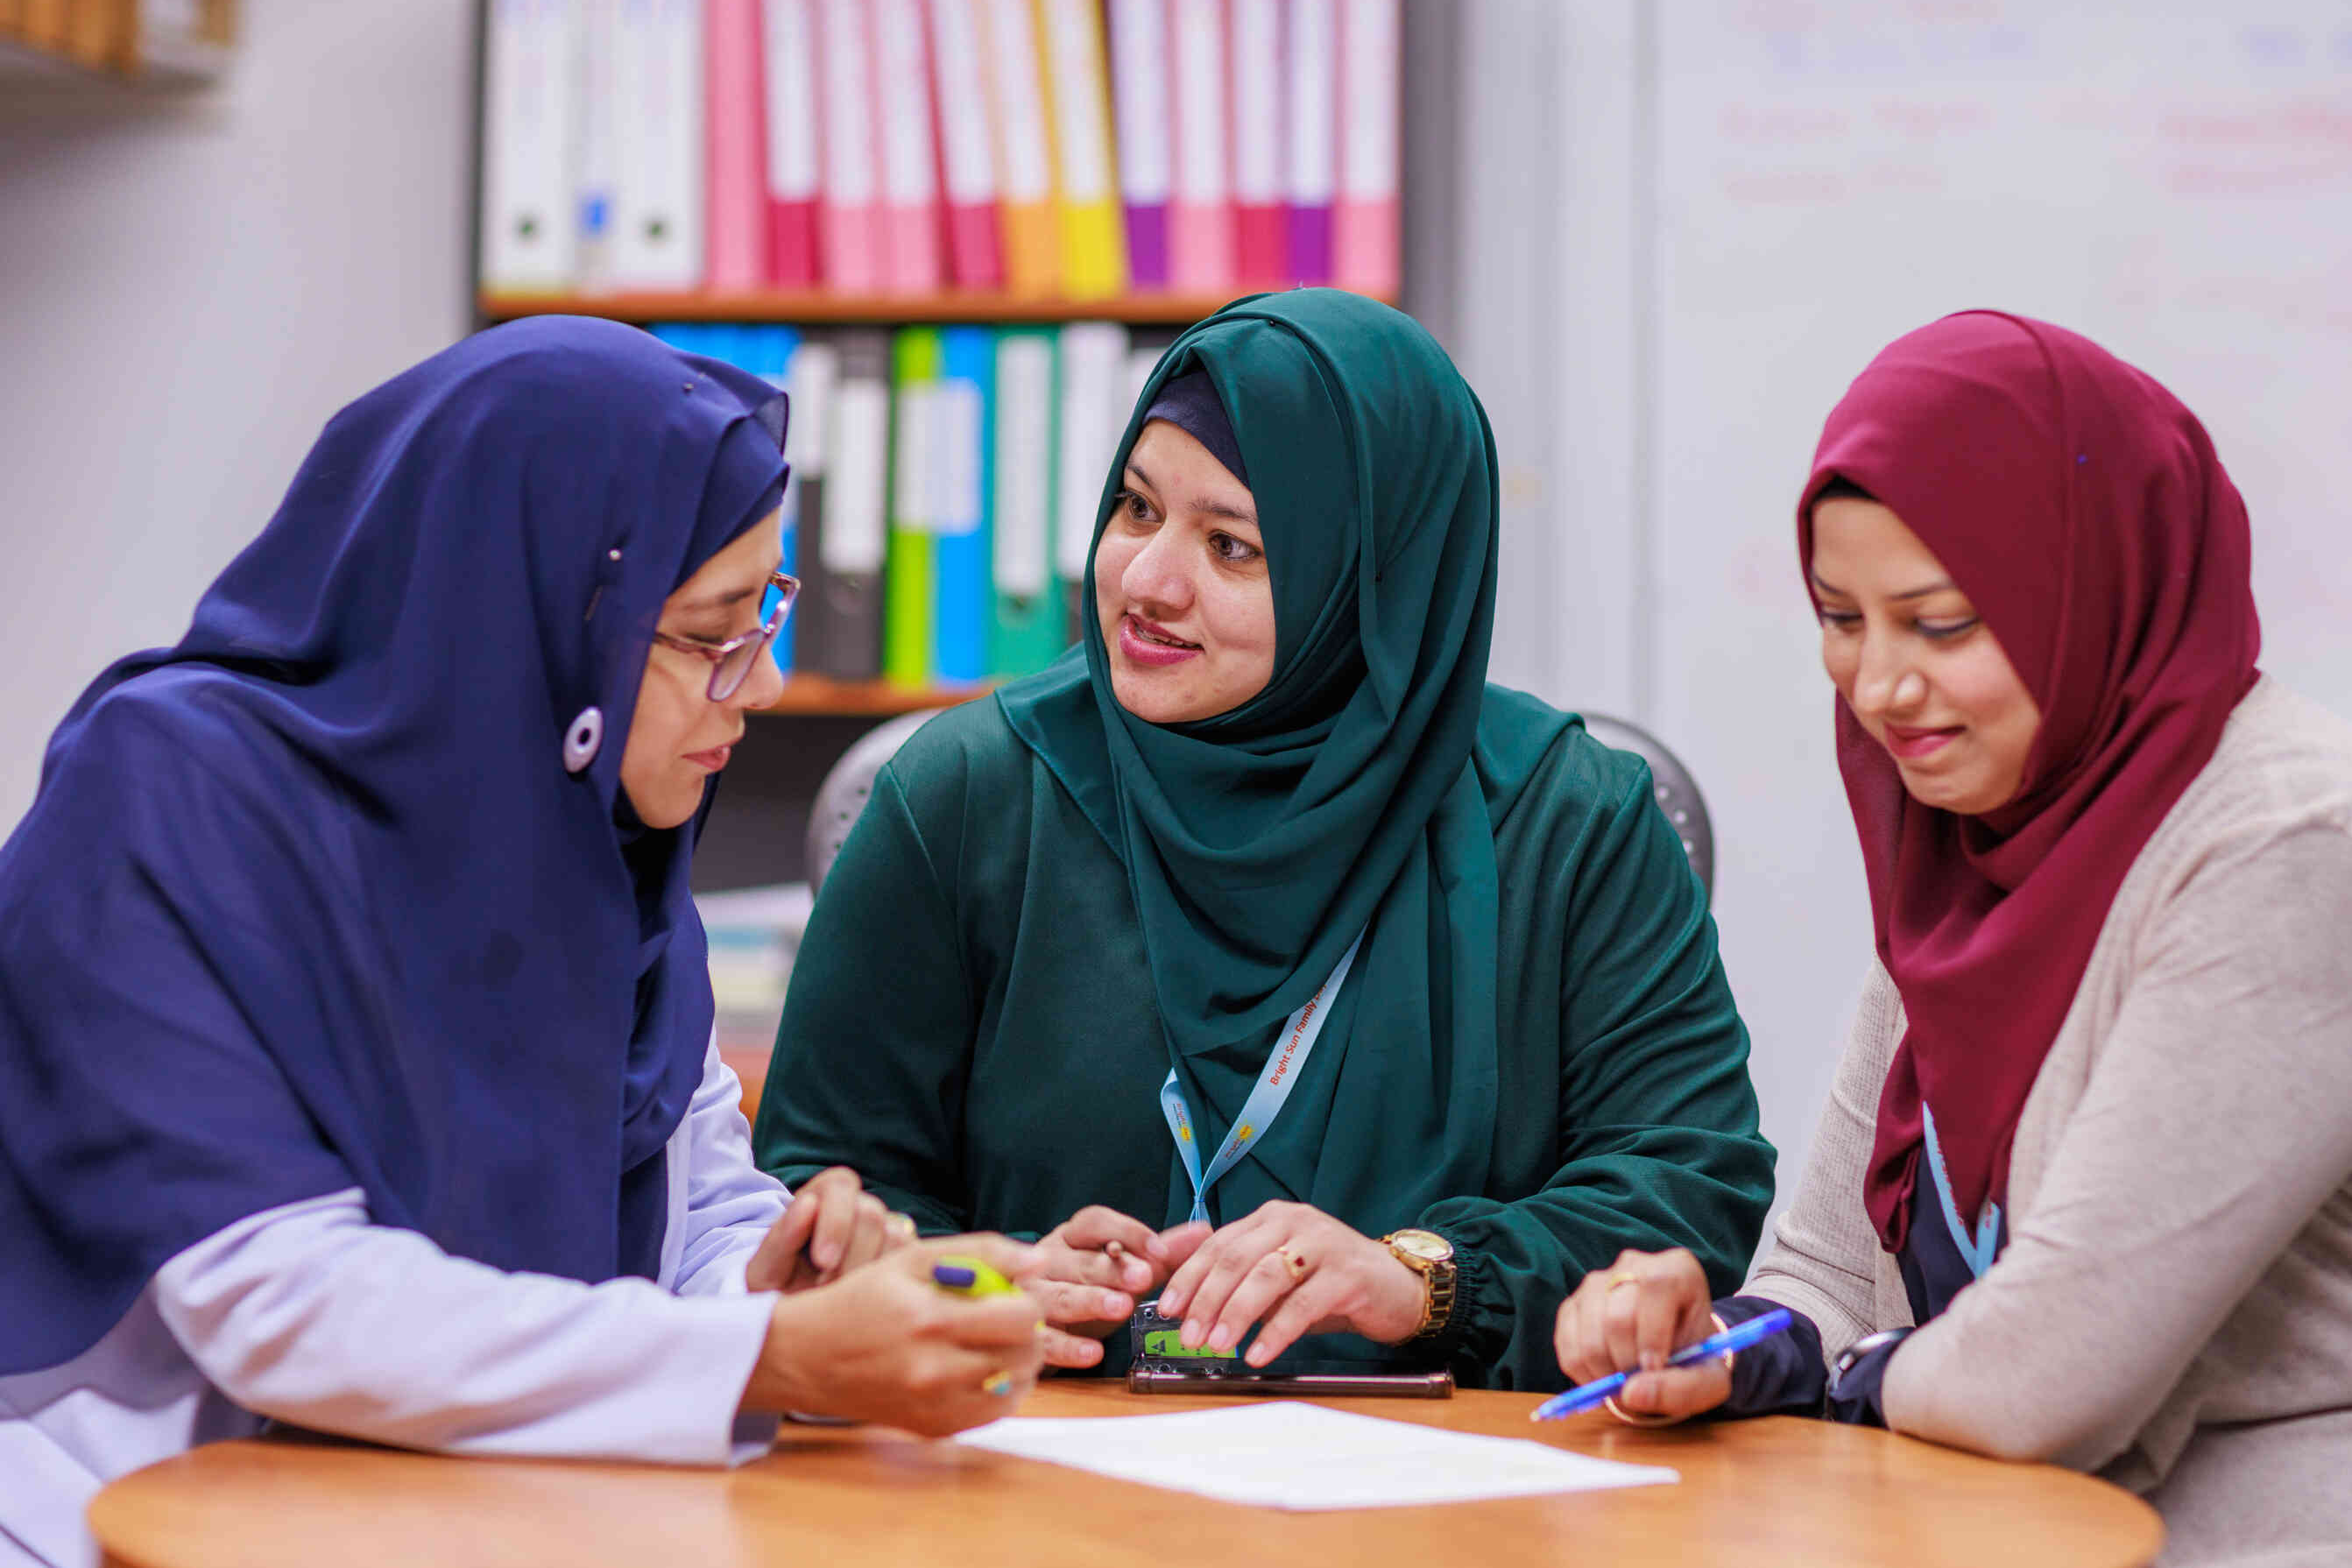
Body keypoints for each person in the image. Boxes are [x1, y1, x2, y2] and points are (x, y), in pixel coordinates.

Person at [0, 319, 1042, 1568]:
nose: (758, 685)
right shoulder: (166, 797)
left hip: (476, 1515)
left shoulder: (591, 828)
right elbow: (277, 1300)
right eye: (714, 632)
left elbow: (699, 1209)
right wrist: (764, 1354)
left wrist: (785, 1287)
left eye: (764, 610)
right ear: (553, 613)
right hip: (122, 1520)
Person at [753, 289, 1775, 1388]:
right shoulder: (968, 794)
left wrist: (1424, 1278)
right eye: (1136, 510)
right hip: (1034, 1473)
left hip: (1458, 1489)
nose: (1146, 579)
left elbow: (1683, 1183)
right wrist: (980, 1279)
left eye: (1231, 544)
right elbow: (821, 1193)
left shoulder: (1568, 820)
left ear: (1368, 578)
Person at [1552, 311, 2352, 1563]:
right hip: (1964, 1526)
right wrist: (1709, 1342)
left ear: (2086, 587)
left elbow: (2042, 1375)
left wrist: (1817, 1372)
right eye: (1841, 618)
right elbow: (1824, 1280)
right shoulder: (1973, 835)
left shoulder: (2295, 846)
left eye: (1939, 623)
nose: (1880, 687)